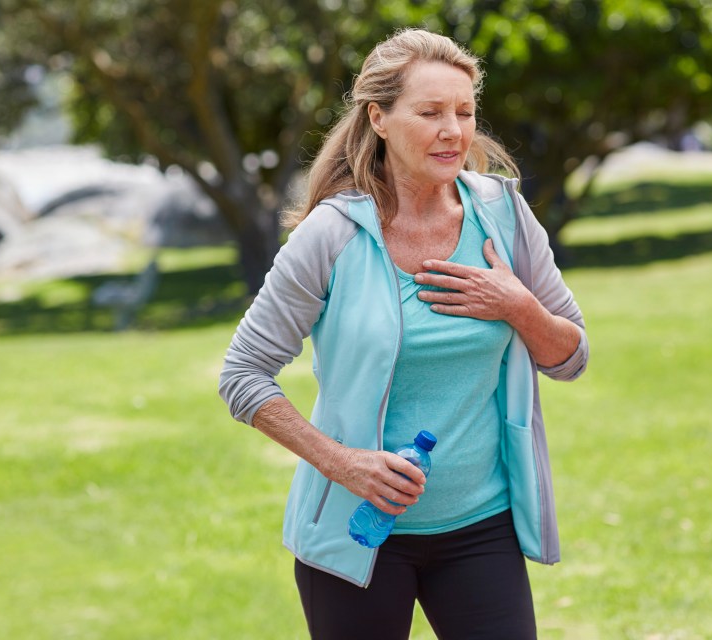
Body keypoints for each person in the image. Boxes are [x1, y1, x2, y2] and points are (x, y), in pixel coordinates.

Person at [219, 28, 588, 639]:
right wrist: (343, 464)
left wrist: (518, 307)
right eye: (431, 112)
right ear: (379, 119)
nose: (453, 130)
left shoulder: (505, 215)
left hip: (480, 528)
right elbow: (242, 375)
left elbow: (570, 358)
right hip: (355, 531)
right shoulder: (331, 236)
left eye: (465, 112)